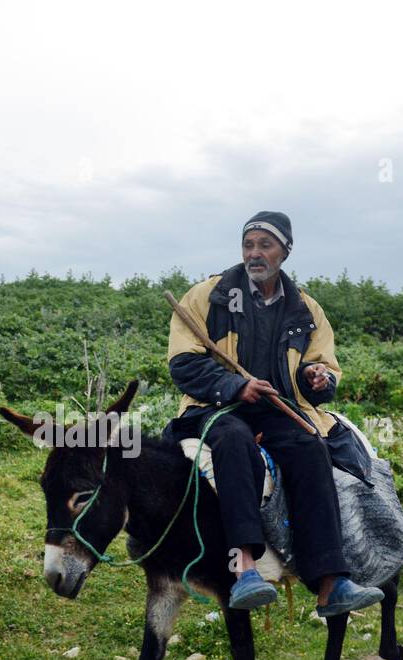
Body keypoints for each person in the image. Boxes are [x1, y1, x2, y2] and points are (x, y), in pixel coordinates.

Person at [164, 210, 383, 615]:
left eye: (265, 245)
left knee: (310, 447)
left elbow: (324, 367)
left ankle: (330, 583)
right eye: (249, 245)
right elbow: (183, 364)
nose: (255, 253)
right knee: (233, 441)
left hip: (277, 409)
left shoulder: (306, 309)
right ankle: (245, 571)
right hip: (215, 407)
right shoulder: (207, 296)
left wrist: (316, 379)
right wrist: (235, 385)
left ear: (285, 252)